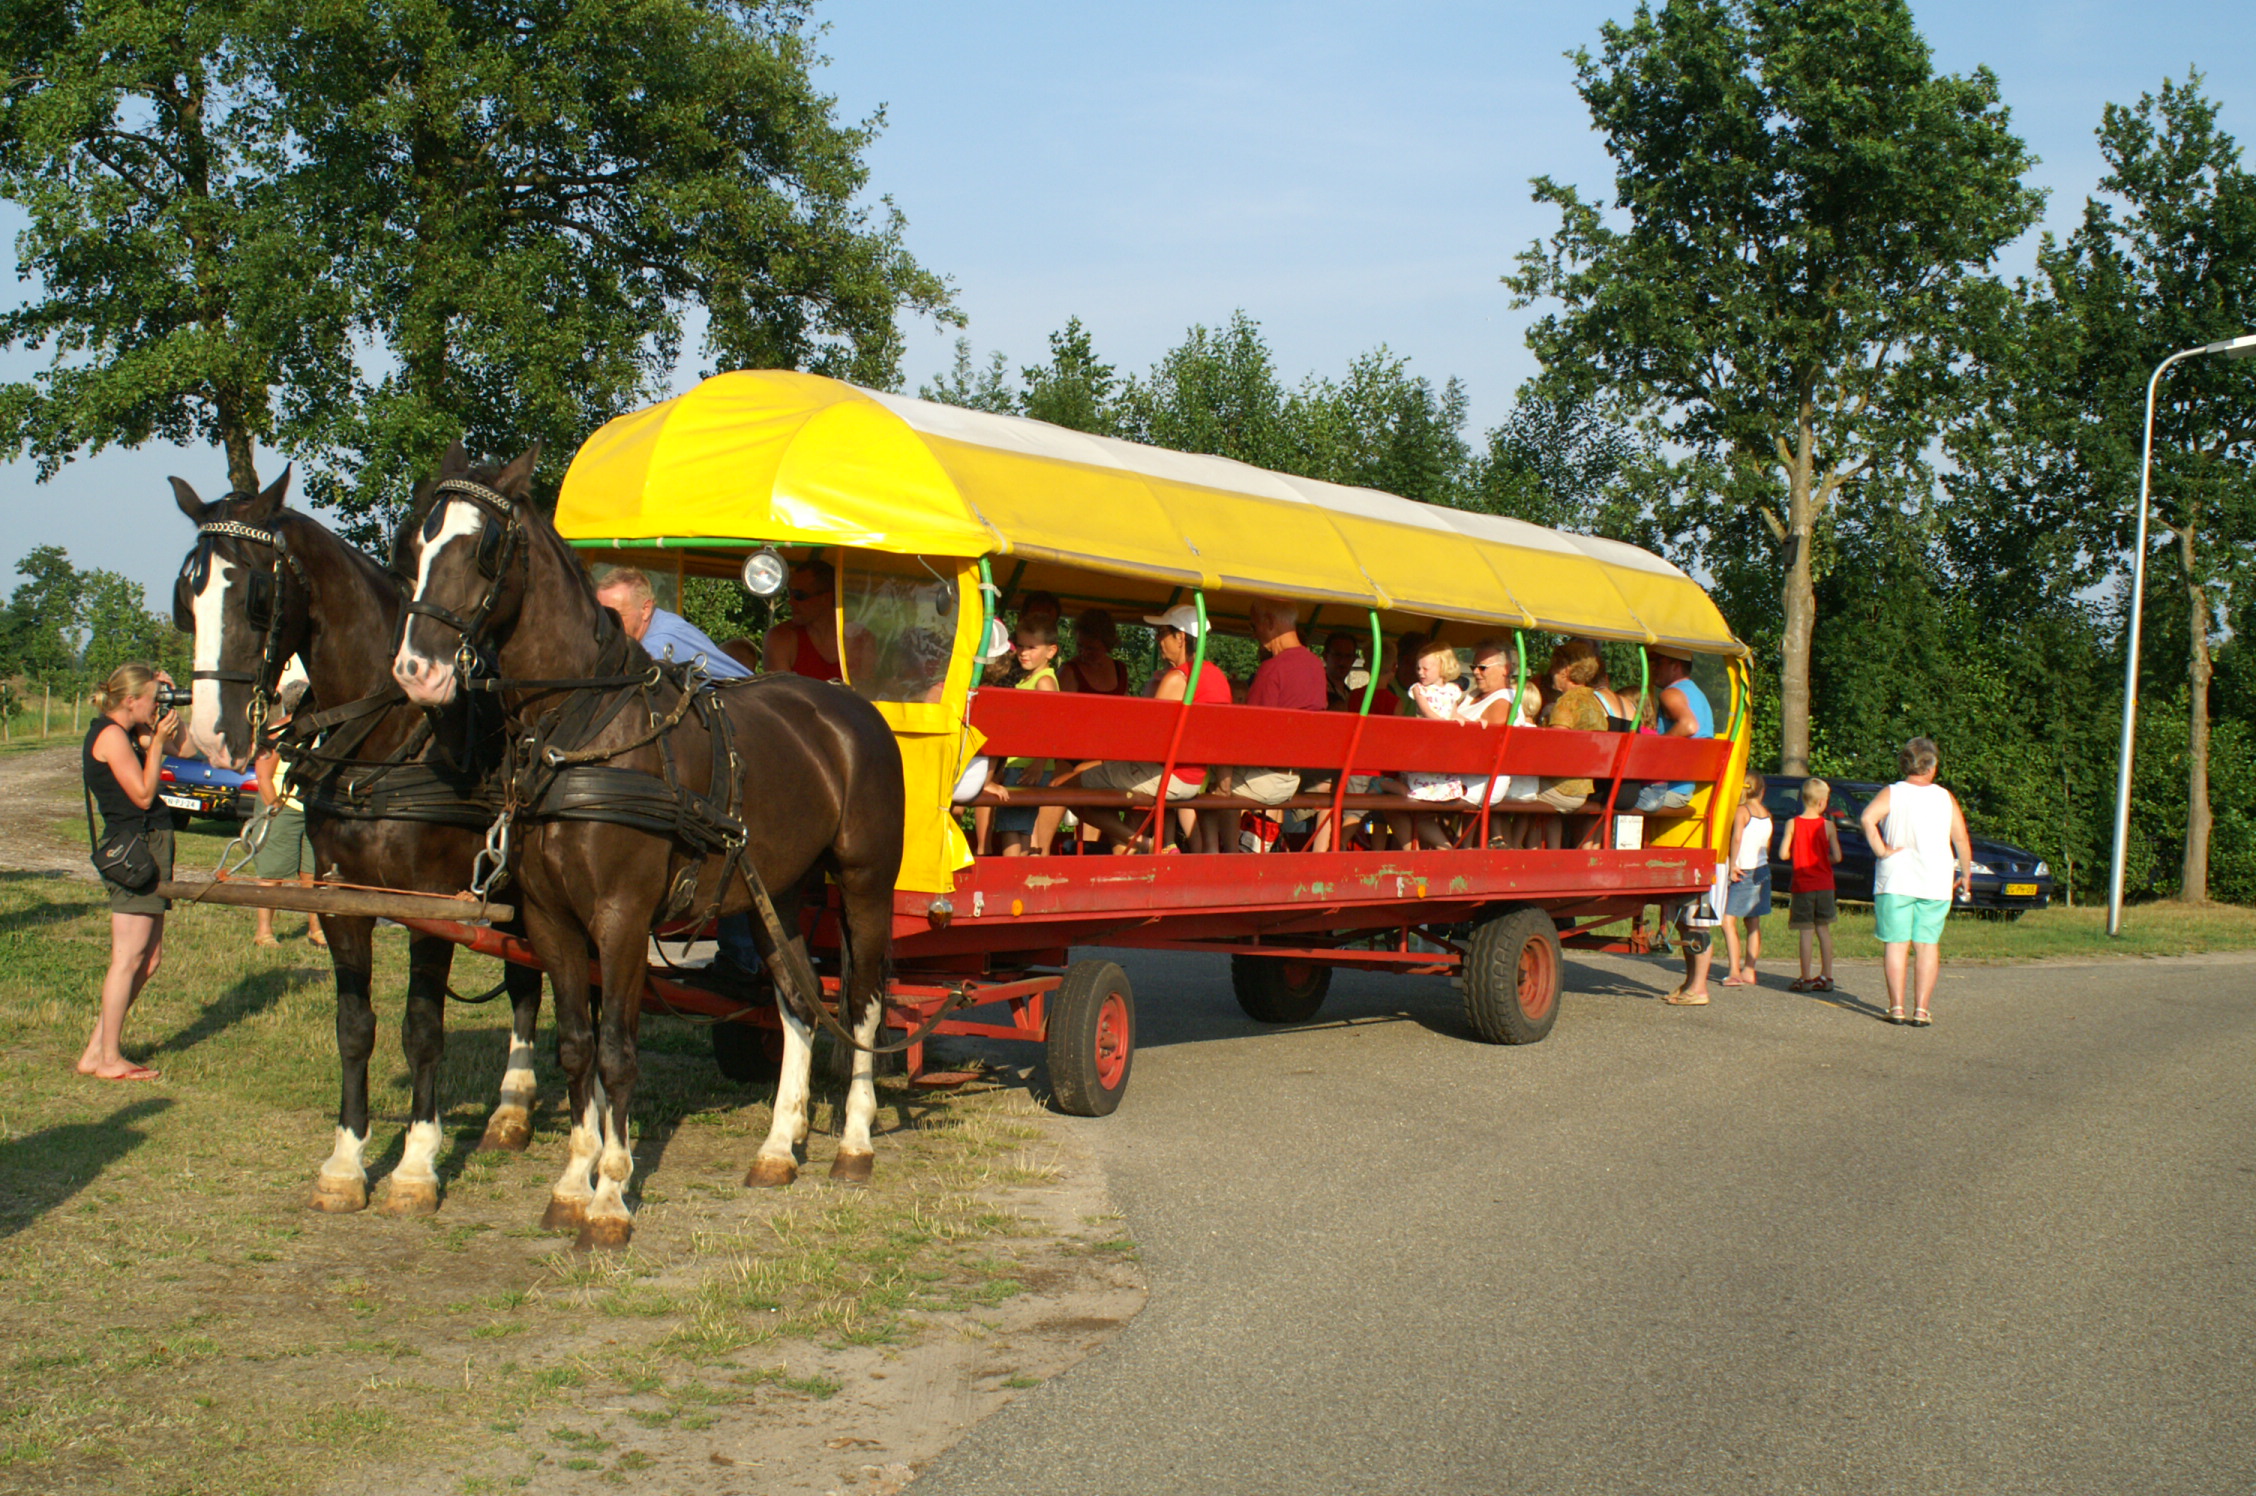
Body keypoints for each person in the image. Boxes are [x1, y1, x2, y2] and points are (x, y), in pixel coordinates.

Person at [594, 567, 763, 989]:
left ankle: (741, 959)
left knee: (727, 839)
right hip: (708, 740)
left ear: (646, 608)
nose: (604, 627)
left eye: (613, 616)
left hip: (749, 738)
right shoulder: (633, 639)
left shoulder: (657, 645)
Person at [81, 662, 183, 1081]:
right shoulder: (109, 735)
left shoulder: (128, 732)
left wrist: (167, 715)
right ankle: (108, 1059)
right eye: (152, 698)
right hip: (133, 849)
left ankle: (95, 1053)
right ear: (130, 700)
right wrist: (156, 741)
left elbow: (189, 751)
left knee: (150, 958)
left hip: (149, 844)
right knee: (127, 959)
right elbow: (142, 795)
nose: (156, 704)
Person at [1074, 605, 1234, 853]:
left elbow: (1147, 743)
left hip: (1168, 776)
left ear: (1180, 637)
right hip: (1193, 779)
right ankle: (1134, 850)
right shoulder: (1218, 677)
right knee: (1118, 801)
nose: (1158, 640)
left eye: (1162, 633)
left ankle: (1148, 844)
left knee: (1067, 787)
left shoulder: (1176, 679)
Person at [1860, 737, 1973, 1027]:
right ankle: (1921, 1010)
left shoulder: (1892, 793)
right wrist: (1965, 873)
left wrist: (1882, 850)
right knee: (1927, 944)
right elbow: (1960, 838)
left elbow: (1867, 819)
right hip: (1935, 879)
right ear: (1932, 767)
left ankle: (1896, 1007)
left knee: (1896, 944)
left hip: (1896, 877)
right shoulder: (1944, 797)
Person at [1228, 599, 1328, 837]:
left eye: (1254, 627)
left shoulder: (1272, 669)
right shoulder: (1317, 666)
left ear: (1270, 622)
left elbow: (1250, 730)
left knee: (1215, 788)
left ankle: (1225, 852)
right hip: (1303, 773)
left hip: (1271, 777)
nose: (1254, 635)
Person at [251, 679, 325, 949]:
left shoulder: (322, 731)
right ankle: (264, 932)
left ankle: (316, 931)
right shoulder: (278, 731)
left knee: (312, 875)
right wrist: (274, 808)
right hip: (282, 809)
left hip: (314, 810)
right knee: (273, 875)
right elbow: (263, 775)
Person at [595, 567, 755, 682]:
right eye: (603, 617)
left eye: (616, 616)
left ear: (645, 609)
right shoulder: (657, 624)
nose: (608, 626)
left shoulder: (661, 640)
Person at [990, 620, 1062, 855]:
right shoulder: (1028, 680)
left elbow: (1052, 727)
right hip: (1021, 763)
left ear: (1051, 651)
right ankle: (1019, 877)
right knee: (1020, 827)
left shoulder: (1043, 682)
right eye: (1020, 646)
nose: (1023, 653)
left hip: (1027, 765)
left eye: (1032, 647)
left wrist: (1039, 762)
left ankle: (1011, 879)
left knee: (1011, 826)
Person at [1530, 644, 1610, 851]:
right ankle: (1551, 855)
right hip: (1583, 788)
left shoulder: (1566, 704)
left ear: (1566, 670)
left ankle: (1523, 851)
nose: (1550, 672)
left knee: (1516, 792)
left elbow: (1556, 751)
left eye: (1554, 667)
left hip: (1562, 789)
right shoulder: (1595, 703)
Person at [1632, 652, 1714, 812]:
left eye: (1659, 662)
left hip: (1666, 790)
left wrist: (1655, 746)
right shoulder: (1698, 695)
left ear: (1675, 665)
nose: (1653, 668)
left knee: (1610, 800)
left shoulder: (1670, 694)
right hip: (1685, 787)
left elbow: (1689, 726)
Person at [1783, 778, 1844, 993]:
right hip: (1825, 884)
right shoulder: (1828, 825)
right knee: (1823, 930)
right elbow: (1837, 856)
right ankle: (1827, 975)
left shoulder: (1793, 823)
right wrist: (1823, 859)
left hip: (1803, 884)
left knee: (1806, 932)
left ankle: (1806, 977)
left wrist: (1796, 854)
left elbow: (1783, 853)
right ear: (1821, 802)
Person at [1719, 776, 1773, 986]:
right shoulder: (1767, 814)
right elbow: (1766, 843)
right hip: (1762, 869)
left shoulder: (1742, 811)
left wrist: (1733, 864)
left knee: (1727, 921)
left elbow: (1737, 838)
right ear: (1762, 790)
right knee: (1753, 922)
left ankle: (1733, 971)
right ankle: (1749, 969)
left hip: (1745, 871)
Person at [757, 558, 843, 681]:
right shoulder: (780, 638)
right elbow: (781, 695)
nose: (791, 602)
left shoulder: (859, 639)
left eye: (799, 595)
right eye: (789, 593)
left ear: (826, 598)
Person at [1058, 608, 1128, 695]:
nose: (1083, 652)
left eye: (1091, 648)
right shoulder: (1068, 672)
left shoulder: (1120, 670)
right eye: (1079, 645)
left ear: (1107, 645)